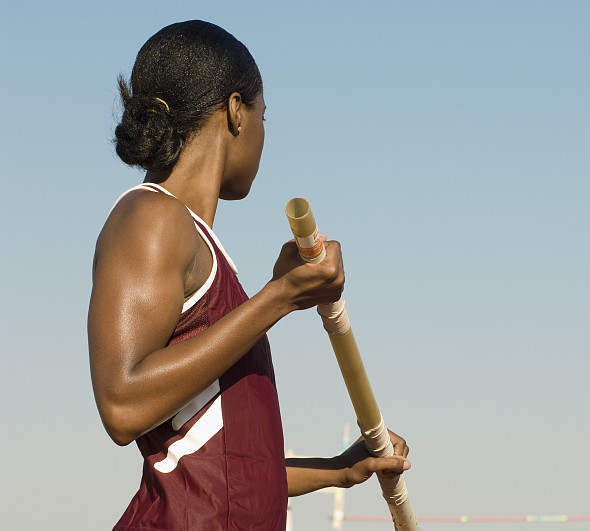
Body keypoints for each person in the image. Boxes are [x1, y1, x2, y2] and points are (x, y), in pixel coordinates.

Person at [88, 20, 409, 530]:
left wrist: (339, 471)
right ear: (236, 112)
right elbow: (121, 404)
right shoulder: (152, 217)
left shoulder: (205, 250)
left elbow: (230, 468)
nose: (264, 133)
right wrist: (280, 298)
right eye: (264, 115)